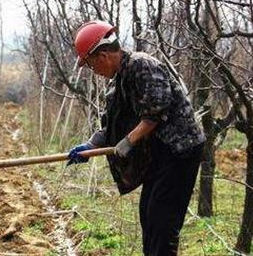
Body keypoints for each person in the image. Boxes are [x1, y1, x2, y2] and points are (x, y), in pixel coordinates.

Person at [67, 20, 206, 256]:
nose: (95, 72)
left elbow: (155, 113)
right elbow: (113, 125)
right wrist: (90, 146)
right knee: (148, 216)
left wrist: (129, 141)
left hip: (180, 149)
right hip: (159, 153)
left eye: (91, 66)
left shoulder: (142, 66)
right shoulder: (119, 80)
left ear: (102, 57)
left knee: (162, 222)